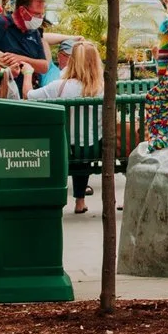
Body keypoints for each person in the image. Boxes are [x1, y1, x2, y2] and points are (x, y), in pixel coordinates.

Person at [29, 38, 103, 213]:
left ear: (73, 61)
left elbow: (29, 95)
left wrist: (26, 75)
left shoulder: (59, 86)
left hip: (64, 148)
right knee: (85, 146)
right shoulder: (103, 88)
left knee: (70, 146)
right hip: (94, 149)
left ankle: (57, 199)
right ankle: (80, 201)